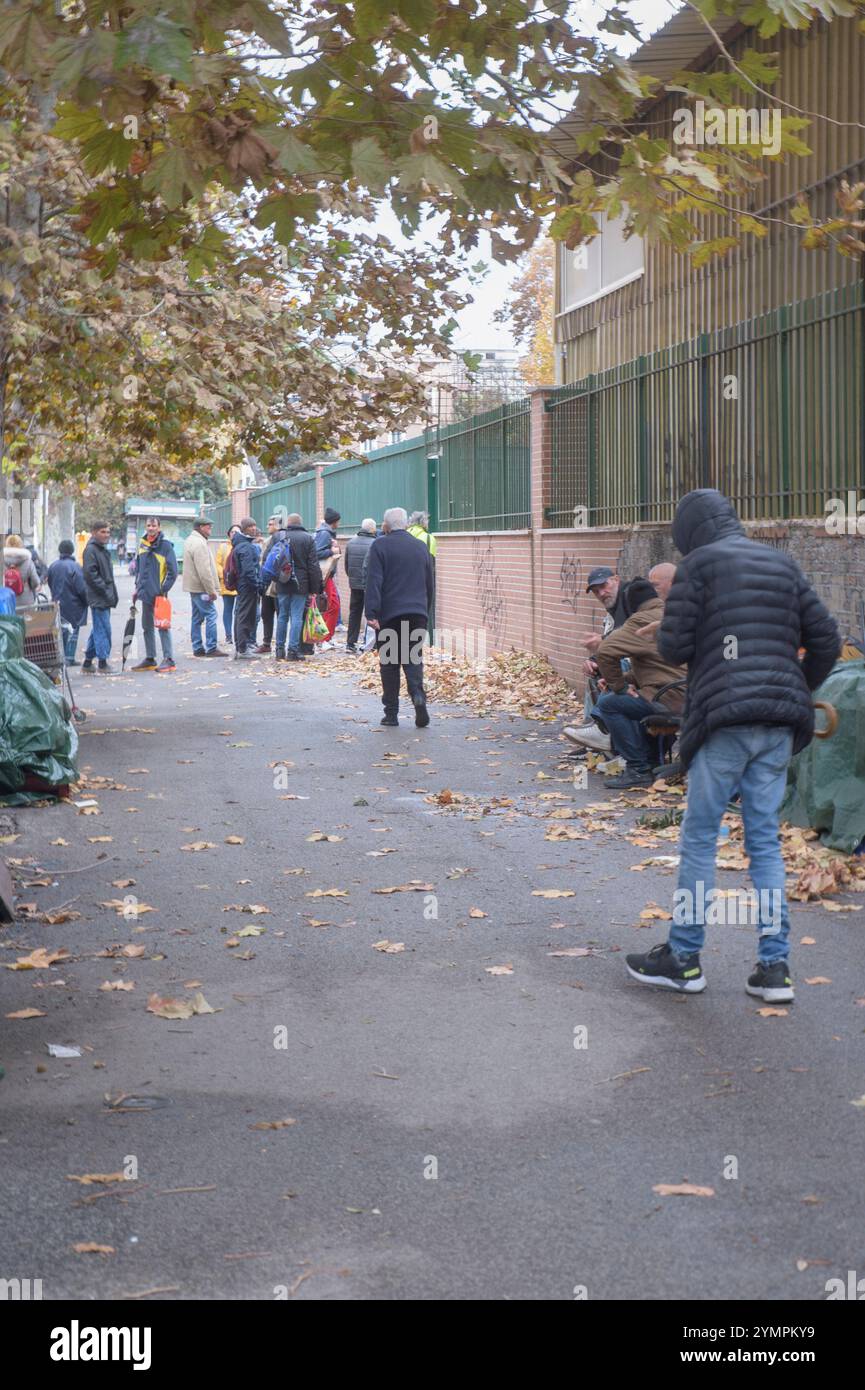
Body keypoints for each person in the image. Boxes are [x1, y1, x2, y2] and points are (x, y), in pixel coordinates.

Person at [626, 488, 840, 1002]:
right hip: (778, 722)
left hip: (723, 720)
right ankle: (774, 969)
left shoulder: (698, 566)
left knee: (701, 837)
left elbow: (674, 646)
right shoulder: (781, 563)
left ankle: (684, 958)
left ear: (690, 533)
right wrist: (793, 686)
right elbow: (827, 639)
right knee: (764, 840)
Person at [590, 578, 687, 789]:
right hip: (690, 695)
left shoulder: (640, 620)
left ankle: (638, 769)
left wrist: (620, 687)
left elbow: (606, 651)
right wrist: (624, 680)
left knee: (610, 703)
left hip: (668, 698)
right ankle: (653, 762)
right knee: (633, 699)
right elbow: (660, 666)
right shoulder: (675, 617)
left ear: (630, 604)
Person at [364, 507, 434, 728]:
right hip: (417, 613)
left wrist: (371, 613)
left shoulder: (380, 545)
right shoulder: (421, 547)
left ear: (385, 526)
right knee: (413, 658)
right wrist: (426, 610)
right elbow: (430, 582)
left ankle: (391, 714)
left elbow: (374, 581)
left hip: (390, 615)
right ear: (405, 524)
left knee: (390, 663)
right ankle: (418, 696)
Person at [563, 566, 628, 751]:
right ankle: (591, 734)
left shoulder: (630, 601)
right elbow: (614, 642)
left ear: (616, 579)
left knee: (612, 671)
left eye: (604, 586)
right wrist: (593, 659)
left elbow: (627, 641)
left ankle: (600, 730)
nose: (601, 593)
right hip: (634, 664)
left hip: (647, 669)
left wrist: (601, 649)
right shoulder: (612, 612)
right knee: (595, 670)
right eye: (596, 591)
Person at [130, 517, 179, 673]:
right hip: (145, 594)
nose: (150, 528)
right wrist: (137, 588)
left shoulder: (165, 546)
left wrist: (163, 589)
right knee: (147, 627)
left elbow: (173, 572)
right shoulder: (143, 544)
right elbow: (139, 568)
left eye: (153, 525)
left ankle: (169, 659)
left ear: (159, 527)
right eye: (148, 525)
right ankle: (150, 658)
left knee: (163, 626)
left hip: (159, 595)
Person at [275, 514, 323, 661]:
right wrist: (316, 588)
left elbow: (268, 559)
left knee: (282, 616)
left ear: (288, 523)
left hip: (282, 581)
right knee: (296, 617)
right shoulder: (307, 538)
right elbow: (313, 565)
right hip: (300, 583)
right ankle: (293, 651)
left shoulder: (279, 536)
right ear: (301, 523)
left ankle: (279, 650)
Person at [182, 517, 226, 659]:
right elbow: (204, 571)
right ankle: (211, 647)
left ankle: (197, 647)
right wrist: (211, 590)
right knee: (211, 615)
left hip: (194, 587)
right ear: (201, 527)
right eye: (208, 527)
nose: (210, 530)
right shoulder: (200, 543)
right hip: (201, 588)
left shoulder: (190, 540)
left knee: (196, 617)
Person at [81, 521, 118, 673]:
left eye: (108, 532)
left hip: (104, 595)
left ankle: (88, 662)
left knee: (98, 628)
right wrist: (104, 590)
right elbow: (91, 574)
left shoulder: (101, 549)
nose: (106, 535)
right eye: (103, 532)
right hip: (99, 596)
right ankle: (102, 663)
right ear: (94, 532)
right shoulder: (91, 550)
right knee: (103, 629)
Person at [47, 540, 88, 664]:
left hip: (57, 603)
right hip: (74, 604)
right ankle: (69, 658)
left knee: (61, 631)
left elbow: (50, 583)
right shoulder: (75, 566)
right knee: (73, 631)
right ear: (72, 550)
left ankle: (62, 657)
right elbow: (81, 588)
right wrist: (86, 601)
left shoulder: (53, 566)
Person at [344, 518, 376, 652]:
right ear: (373, 529)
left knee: (354, 613)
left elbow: (346, 565)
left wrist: (352, 578)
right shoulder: (375, 544)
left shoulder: (351, 543)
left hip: (355, 584)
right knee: (372, 613)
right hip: (370, 585)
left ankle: (350, 643)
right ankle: (370, 644)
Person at [230, 518, 261, 659]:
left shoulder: (240, 544)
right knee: (245, 616)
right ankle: (243, 649)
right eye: (250, 526)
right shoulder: (245, 547)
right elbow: (249, 570)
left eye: (254, 525)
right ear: (244, 529)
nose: (254, 528)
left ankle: (240, 647)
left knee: (241, 615)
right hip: (247, 586)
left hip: (243, 585)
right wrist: (257, 585)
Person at [255, 514, 284, 654]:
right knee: (266, 614)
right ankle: (266, 643)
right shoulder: (267, 541)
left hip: (278, 584)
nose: (268, 526)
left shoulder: (284, 539)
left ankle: (279, 644)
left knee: (281, 615)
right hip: (267, 584)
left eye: (271, 524)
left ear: (279, 525)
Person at [314, 507, 341, 650]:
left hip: (327, 575)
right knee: (333, 605)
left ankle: (327, 638)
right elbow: (317, 552)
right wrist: (332, 550)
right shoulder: (324, 534)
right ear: (334, 521)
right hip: (324, 576)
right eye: (338, 521)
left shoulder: (327, 533)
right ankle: (323, 639)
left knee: (332, 605)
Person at [408, 509, 437, 635]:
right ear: (423, 522)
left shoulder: (403, 534)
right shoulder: (429, 539)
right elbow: (431, 564)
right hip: (421, 583)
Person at [3, 533, 42, 608]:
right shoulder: (28, 561)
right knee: (26, 619)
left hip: (5, 601)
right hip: (25, 602)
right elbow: (35, 582)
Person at [216, 524, 239, 645]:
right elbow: (218, 563)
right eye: (232, 532)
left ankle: (238, 634)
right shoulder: (223, 547)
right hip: (227, 583)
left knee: (239, 611)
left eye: (237, 532)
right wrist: (223, 576)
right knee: (228, 610)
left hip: (239, 584)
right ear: (228, 534)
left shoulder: (241, 546)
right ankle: (228, 635)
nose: (234, 534)